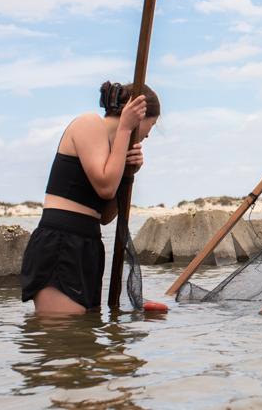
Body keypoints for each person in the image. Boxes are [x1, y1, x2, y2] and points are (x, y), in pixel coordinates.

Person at [20, 82, 160, 314]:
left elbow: (104, 215)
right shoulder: (89, 123)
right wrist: (126, 129)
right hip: (60, 243)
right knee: (63, 337)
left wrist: (127, 175)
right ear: (137, 115)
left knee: (86, 338)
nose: (149, 133)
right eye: (151, 124)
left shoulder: (113, 150)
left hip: (88, 246)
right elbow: (105, 187)